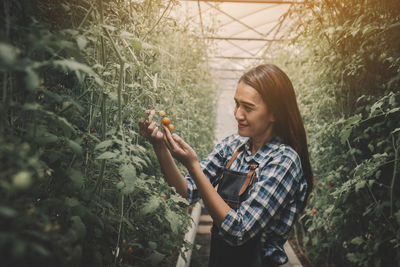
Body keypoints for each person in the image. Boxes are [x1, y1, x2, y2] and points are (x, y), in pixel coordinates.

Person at [138, 64, 313, 267]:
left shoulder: (284, 161)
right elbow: (186, 193)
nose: (238, 114)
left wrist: (193, 165)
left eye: (248, 107)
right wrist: (160, 146)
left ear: (274, 113)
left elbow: (239, 231)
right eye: (237, 104)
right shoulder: (232, 146)